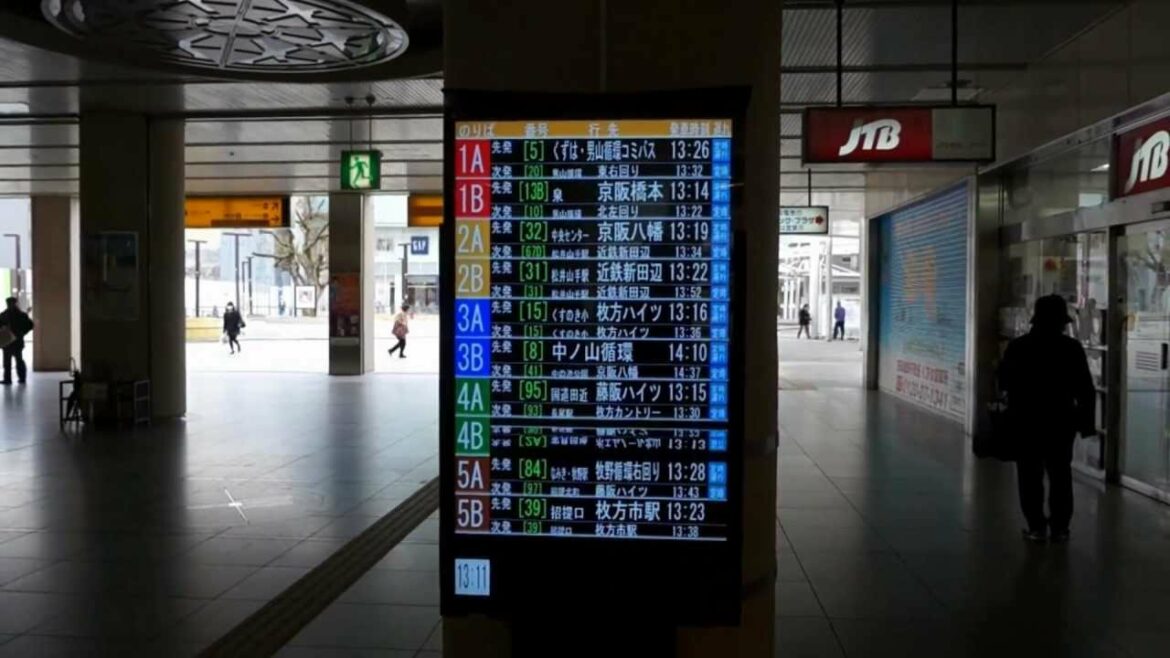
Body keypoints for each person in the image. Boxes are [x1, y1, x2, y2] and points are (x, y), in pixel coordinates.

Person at [998, 295, 1096, 544]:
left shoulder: (1019, 346)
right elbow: (1084, 388)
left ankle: (1036, 527)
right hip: (1060, 421)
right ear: (1061, 321)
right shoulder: (1071, 348)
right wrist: (1086, 422)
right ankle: (1060, 528)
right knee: (1060, 474)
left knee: (1029, 475)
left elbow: (1004, 382)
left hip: (1026, 419)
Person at [0, 296, 34, 385]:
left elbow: (30, 325)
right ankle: (20, 378)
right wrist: (22, 333)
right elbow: (30, 325)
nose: (10, 305)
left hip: (8, 341)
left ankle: (9, 379)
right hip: (14, 341)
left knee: (10, 361)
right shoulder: (20, 315)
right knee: (16, 360)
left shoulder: (4, 315)